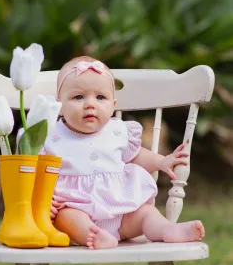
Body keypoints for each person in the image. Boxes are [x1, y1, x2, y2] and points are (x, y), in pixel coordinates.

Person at [41, 56, 205, 250]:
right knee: (65, 217)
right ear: (58, 104)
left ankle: (167, 230)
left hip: (121, 210)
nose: (90, 104)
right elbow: (35, 172)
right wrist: (44, 199)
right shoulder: (50, 135)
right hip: (75, 206)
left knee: (146, 213)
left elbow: (135, 155)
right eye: (78, 97)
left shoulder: (117, 131)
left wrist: (162, 162)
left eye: (100, 97)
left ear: (113, 104)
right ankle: (94, 235)